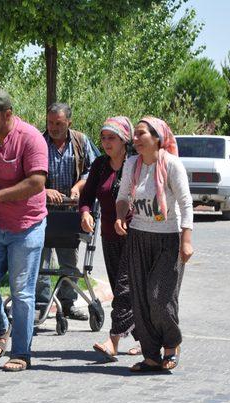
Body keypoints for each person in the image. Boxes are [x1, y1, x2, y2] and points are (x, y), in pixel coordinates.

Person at [0, 87, 48, 372]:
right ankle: (1, 327)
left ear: (8, 114)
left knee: (21, 291)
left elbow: (37, 182)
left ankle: (22, 353)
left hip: (27, 225)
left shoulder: (31, 139)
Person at [115, 116, 193, 372]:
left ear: (157, 138)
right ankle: (151, 355)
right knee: (140, 299)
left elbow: (185, 203)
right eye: (134, 135)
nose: (135, 139)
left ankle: (171, 344)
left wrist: (186, 240)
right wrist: (119, 216)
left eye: (141, 135)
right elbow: (123, 196)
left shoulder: (171, 165)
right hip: (138, 235)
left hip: (168, 237)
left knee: (160, 298)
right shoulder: (131, 164)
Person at [79, 116, 141, 361]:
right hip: (109, 235)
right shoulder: (99, 166)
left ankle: (113, 339)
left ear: (125, 140)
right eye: (103, 138)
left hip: (136, 234)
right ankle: (145, 340)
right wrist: (85, 213)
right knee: (121, 288)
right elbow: (86, 198)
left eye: (111, 138)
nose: (106, 143)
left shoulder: (135, 164)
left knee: (126, 288)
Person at [35, 103, 97, 321]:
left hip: (71, 212)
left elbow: (93, 170)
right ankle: (41, 304)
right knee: (41, 262)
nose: (53, 127)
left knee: (68, 260)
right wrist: (44, 189)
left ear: (69, 122)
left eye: (58, 123)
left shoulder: (81, 141)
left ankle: (68, 303)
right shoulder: (38, 141)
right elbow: (27, 173)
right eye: (50, 122)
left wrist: (79, 186)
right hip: (42, 212)